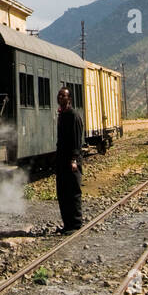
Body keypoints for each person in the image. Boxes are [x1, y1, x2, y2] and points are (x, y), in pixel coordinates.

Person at [55, 86, 84, 232]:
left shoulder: (74, 115)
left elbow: (77, 139)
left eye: (63, 96)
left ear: (69, 99)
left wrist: (74, 159)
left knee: (73, 192)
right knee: (62, 193)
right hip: (61, 159)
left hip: (71, 160)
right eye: (59, 96)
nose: (60, 98)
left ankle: (76, 224)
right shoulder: (62, 114)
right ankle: (67, 224)